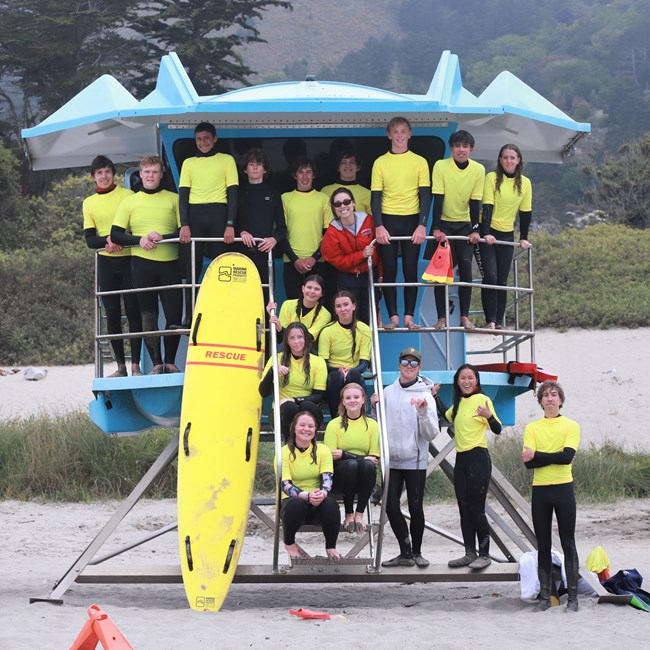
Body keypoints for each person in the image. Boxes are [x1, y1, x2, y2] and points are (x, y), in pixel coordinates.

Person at [111, 156, 182, 374]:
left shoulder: (173, 199)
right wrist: (139, 240)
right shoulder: (129, 201)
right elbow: (116, 234)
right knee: (148, 316)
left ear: (161, 175)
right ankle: (156, 363)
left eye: (154, 172)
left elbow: (184, 232)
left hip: (170, 264)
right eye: (146, 172)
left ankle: (170, 361)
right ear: (140, 175)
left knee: (173, 315)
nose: (150, 175)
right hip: (141, 265)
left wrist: (165, 236)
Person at [370, 347, 439, 567]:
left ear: (419, 368)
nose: (409, 367)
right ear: (399, 365)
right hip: (392, 460)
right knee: (390, 507)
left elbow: (431, 433)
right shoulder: (388, 392)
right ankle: (405, 552)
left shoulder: (426, 395)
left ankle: (418, 552)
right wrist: (373, 408)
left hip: (415, 461)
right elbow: (378, 425)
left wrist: (422, 411)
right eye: (405, 362)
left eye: (413, 364)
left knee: (416, 507)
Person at [522, 380, 580, 612]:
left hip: (563, 488)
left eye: (554, 394)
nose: (549, 398)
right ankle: (545, 596)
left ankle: (573, 598)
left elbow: (567, 457)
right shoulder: (532, 428)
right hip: (541, 489)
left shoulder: (571, 426)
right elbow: (528, 464)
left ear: (561, 400)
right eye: (545, 395)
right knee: (543, 544)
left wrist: (538, 455)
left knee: (568, 542)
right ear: (540, 401)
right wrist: (547, 456)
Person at [82, 155, 142, 377]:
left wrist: (119, 240)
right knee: (113, 314)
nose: (104, 176)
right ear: (93, 177)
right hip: (106, 263)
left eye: (107, 172)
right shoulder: (89, 203)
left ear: (113, 173)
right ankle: (121, 367)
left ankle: (136, 365)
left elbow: (135, 227)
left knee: (134, 312)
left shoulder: (128, 195)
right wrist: (109, 241)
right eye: (99, 173)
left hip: (129, 259)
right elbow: (90, 239)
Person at [371, 116, 431, 330]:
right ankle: (393, 318)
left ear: (409, 134)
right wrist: (379, 225)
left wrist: (422, 224)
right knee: (388, 269)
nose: (399, 135)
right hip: (387, 219)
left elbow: (425, 196)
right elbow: (375, 198)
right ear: (389, 135)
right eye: (395, 131)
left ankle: (408, 317)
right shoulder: (380, 162)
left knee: (409, 268)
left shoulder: (419, 161)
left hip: (412, 220)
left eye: (403, 131)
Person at [440, 364, 501, 569]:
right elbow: (446, 416)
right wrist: (434, 397)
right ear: (457, 381)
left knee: (477, 509)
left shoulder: (482, 400)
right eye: (462, 378)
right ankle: (469, 553)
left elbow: (497, 429)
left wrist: (488, 415)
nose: (466, 382)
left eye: (470, 378)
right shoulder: (458, 404)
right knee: (464, 509)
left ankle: (484, 554)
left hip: (478, 458)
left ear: (477, 381)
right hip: (462, 460)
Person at [425, 130, 485, 331]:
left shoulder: (478, 169)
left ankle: (464, 317)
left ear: (471, 149)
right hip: (445, 224)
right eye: (457, 146)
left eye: (465, 146)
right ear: (451, 148)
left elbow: (476, 202)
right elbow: (438, 198)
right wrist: (436, 228)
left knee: (466, 268)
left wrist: (476, 230)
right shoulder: (441, 166)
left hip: (465, 225)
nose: (461, 150)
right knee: (441, 274)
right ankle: (441, 318)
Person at [178, 122, 238, 321]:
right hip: (195, 215)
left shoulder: (226, 160)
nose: (202, 143)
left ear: (215, 139)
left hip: (218, 214)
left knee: (220, 265)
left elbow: (233, 195)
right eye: (198, 139)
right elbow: (183, 196)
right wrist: (184, 223)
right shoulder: (189, 163)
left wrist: (230, 224)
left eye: (206, 138)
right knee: (191, 268)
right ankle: (190, 315)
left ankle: (221, 311)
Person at [479, 144, 532, 329]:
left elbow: (525, 213)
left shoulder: (525, 183)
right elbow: (487, 206)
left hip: (507, 234)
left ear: (518, 160)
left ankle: (499, 321)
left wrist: (523, 237)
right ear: (500, 160)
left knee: (502, 279)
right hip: (489, 231)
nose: (508, 161)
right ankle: (490, 321)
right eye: (505, 157)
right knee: (490, 276)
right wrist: (485, 233)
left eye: (512, 157)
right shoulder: (492, 178)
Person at [278, 411, 342, 561]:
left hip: (316, 501)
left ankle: (331, 546)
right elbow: (285, 485)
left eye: (310, 426)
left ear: (315, 430)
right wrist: (306, 495)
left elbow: (327, 479)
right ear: (294, 428)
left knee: (331, 504)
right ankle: (289, 543)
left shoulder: (323, 450)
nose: (306, 429)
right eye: (302, 425)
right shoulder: (283, 453)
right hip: (293, 503)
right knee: (295, 503)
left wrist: (322, 494)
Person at [324, 382, 380, 534]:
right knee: (352, 465)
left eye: (356, 397)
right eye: (348, 397)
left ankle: (359, 514)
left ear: (363, 400)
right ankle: (349, 513)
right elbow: (330, 456)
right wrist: (356, 458)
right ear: (343, 401)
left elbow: (374, 458)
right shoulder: (334, 425)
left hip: (363, 475)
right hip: (341, 475)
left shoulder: (372, 425)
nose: (352, 400)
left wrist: (345, 454)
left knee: (367, 466)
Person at [321, 187, 380, 325]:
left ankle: (369, 347)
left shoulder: (368, 221)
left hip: (370, 275)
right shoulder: (332, 231)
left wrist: (381, 275)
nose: (343, 206)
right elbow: (338, 261)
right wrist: (362, 255)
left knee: (370, 319)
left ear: (353, 203)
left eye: (346, 202)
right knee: (350, 320)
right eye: (337, 204)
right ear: (334, 209)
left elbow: (380, 251)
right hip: (347, 278)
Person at [258, 322, 326, 441]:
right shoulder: (277, 359)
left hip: (308, 411)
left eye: (300, 337)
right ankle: (288, 446)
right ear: (287, 341)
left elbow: (319, 396)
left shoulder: (318, 362)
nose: (296, 341)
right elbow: (263, 392)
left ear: (306, 338)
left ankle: (308, 446)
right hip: (282, 412)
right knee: (290, 407)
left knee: (306, 406)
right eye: (292, 338)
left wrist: (295, 400)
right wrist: (272, 371)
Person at [280, 156, 333, 301]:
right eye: (300, 172)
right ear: (294, 175)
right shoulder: (285, 198)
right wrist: (295, 259)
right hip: (291, 261)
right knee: (293, 302)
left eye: (308, 172)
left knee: (317, 304)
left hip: (317, 261)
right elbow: (279, 232)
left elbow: (329, 234)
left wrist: (314, 258)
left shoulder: (323, 199)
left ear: (314, 175)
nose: (304, 176)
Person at [236, 147, 287, 289]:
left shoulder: (274, 194)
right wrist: (242, 232)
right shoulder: (239, 194)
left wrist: (274, 239)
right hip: (243, 254)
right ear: (245, 170)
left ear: (265, 169)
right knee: (244, 295)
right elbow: (231, 225)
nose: (255, 168)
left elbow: (282, 228)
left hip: (266, 254)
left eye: (259, 164)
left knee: (266, 296)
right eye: (251, 164)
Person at [318, 291, 372, 416]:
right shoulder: (327, 331)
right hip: (333, 372)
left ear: (354, 306)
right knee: (336, 378)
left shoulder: (364, 329)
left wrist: (350, 370)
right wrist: (338, 369)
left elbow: (364, 363)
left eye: (346, 304)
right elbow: (323, 363)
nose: (343, 309)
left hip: (355, 371)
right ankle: (336, 419)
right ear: (335, 310)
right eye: (338, 306)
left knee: (353, 376)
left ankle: (359, 417)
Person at [267, 274, 331, 347]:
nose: (312, 291)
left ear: (321, 293)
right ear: (303, 288)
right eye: (309, 287)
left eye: (317, 289)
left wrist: (280, 328)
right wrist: (272, 316)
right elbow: (280, 338)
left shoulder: (325, 314)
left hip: (309, 352)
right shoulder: (287, 305)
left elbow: (308, 337)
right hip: (288, 350)